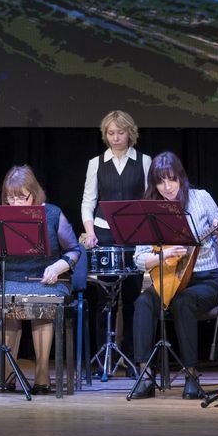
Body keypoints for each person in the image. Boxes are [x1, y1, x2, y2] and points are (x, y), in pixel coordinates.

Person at [129, 151, 218, 400]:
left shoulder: (201, 198)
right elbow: (139, 258)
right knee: (143, 301)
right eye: (161, 182)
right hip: (168, 278)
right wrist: (165, 255)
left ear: (181, 178)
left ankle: (192, 376)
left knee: (184, 302)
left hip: (205, 278)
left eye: (171, 180)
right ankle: (145, 375)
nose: (167, 187)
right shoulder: (151, 209)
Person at [0, 165, 82, 394]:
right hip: (12, 279)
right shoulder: (1, 217)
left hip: (47, 280)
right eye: (10, 198)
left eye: (21, 197)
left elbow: (74, 250)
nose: (15, 203)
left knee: (41, 304)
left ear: (34, 194)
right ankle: (7, 376)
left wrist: (58, 266)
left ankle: (42, 376)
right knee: (8, 303)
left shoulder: (53, 214)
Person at [80, 109, 152, 363]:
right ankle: (103, 359)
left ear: (130, 133)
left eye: (120, 132)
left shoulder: (144, 161)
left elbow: (149, 200)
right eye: (110, 133)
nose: (115, 138)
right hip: (104, 234)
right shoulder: (96, 163)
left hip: (134, 236)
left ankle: (133, 358)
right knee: (104, 298)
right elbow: (88, 202)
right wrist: (90, 233)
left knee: (133, 298)